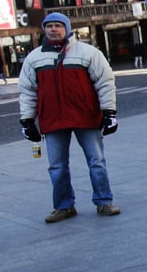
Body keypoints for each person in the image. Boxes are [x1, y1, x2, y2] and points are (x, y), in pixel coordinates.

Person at [19, 12, 120, 222]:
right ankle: (63, 206)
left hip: (86, 117)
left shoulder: (88, 53)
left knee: (97, 161)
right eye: (49, 26)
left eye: (58, 25)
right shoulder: (34, 58)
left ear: (67, 29)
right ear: (44, 30)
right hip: (53, 120)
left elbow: (105, 82)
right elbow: (28, 91)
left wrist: (109, 112)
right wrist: (27, 121)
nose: (53, 29)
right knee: (56, 166)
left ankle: (104, 201)